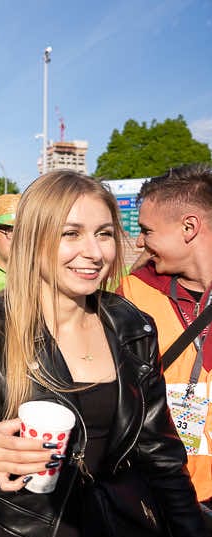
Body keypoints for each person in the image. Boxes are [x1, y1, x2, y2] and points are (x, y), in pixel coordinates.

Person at [0, 170, 212, 537]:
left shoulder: (132, 325)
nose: (93, 252)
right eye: (70, 234)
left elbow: (160, 457)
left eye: (104, 234)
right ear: (35, 238)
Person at [118, 164, 212, 510]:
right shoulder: (130, 293)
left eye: (147, 230)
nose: (140, 242)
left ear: (189, 227)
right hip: (162, 496)